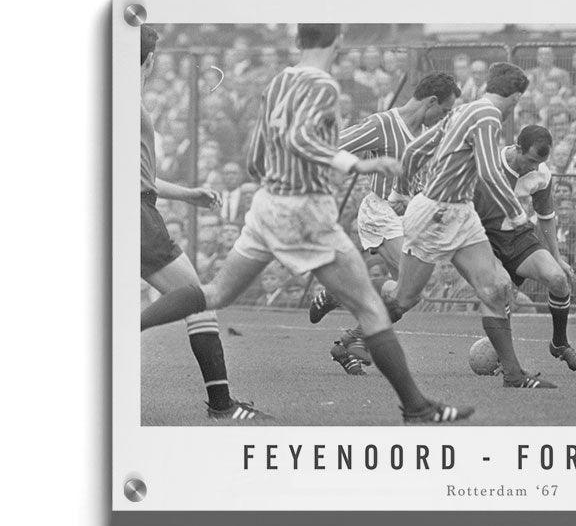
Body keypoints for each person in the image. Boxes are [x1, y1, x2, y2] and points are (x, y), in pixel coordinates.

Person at [141, 23, 473, 425]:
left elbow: (256, 156)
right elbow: (302, 139)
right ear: (338, 41)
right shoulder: (322, 84)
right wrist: (357, 164)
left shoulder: (280, 82)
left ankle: (127, 328)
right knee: (372, 308)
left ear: (299, 41)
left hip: (268, 205)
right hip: (304, 210)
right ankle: (417, 408)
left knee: (213, 293)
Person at [389, 62, 558, 389]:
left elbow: (414, 150)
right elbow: (490, 173)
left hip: (461, 213)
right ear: (514, 97)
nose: (516, 106)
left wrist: (400, 191)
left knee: (496, 287)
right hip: (436, 213)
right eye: (518, 101)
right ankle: (352, 327)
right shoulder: (488, 116)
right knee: (404, 300)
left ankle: (513, 375)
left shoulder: (463, 111)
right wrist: (517, 215)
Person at [138, 25, 264, 422]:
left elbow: (139, 176)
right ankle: (222, 405)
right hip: (136, 216)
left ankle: (222, 403)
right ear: (150, 60)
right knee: (198, 298)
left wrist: (186, 194)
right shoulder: (128, 104)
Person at [307, 72, 461, 374]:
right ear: (431, 102)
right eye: (444, 110)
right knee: (408, 286)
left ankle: (347, 336)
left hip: (411, 219)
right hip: (381, 213)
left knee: (406, 297)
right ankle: (347, 313)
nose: (445, 117)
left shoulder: (428, 133)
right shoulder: (383, 124)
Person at [471, 125, 576, 371]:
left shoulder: (541, 174)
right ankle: (506, 358)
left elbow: (545, 216)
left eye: (540, 163)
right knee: (501, 287)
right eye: (531, 161)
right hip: (482, 237)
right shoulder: (487, 165)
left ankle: (560, 343)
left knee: (558, 279)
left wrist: (557, 257)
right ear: (517, 149)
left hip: (517, 234)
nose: (535, 168)